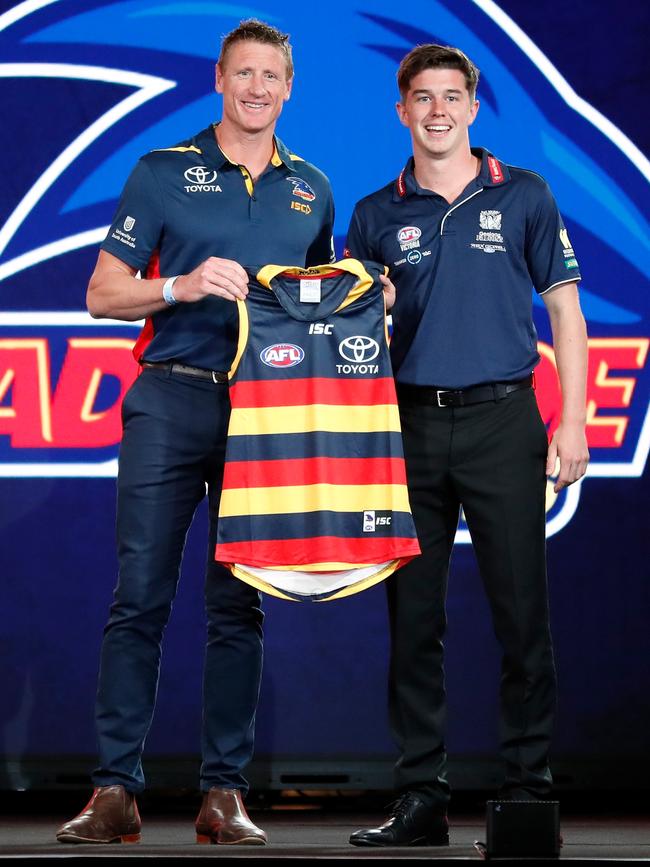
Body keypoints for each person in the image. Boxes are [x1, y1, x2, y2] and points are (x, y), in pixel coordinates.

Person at [56, 19, 334, 846]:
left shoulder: (310, 188)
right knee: (139, 595)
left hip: (264, 416)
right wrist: (178, 284)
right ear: (219, 78)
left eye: (270, 76)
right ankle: (115, 791)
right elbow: (103, 294)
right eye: (242, 72)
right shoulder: (161, 171)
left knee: (239, 604)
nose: (256, 88)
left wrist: (369, 301)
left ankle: (224, 793)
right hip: (171, 400)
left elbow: (313, 306)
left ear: (289, 88)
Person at [344, 44, 589, 847]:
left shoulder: (522, 195)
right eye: (423, 97)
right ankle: (421, 798)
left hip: (503, 421)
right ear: (402, 111)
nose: (438, 110)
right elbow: (352, 338)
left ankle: (526, 794)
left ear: (474, 108)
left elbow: (565, 313)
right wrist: (368, 305)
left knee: (523, 617)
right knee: (413, 620)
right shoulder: (377, 213)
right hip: (409, 428)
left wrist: (576, 420)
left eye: (453, 96)